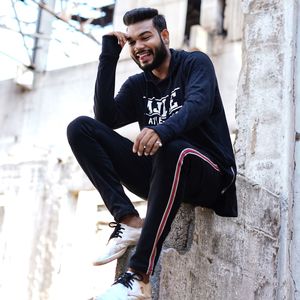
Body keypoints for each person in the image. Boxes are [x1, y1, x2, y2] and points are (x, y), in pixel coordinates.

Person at [67, 7, 237, 300]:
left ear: (165, 36)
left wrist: (162, 130)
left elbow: (198, 105)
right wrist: (108, 55)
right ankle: (128, 220)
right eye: (132, 41)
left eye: (145, 37)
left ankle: (138, 276)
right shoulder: (138, 85)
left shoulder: (195, 63)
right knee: (81, 128)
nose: (138, 47)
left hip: (209, 174)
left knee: (174, 148)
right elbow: (105, 118)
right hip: (164, 173)